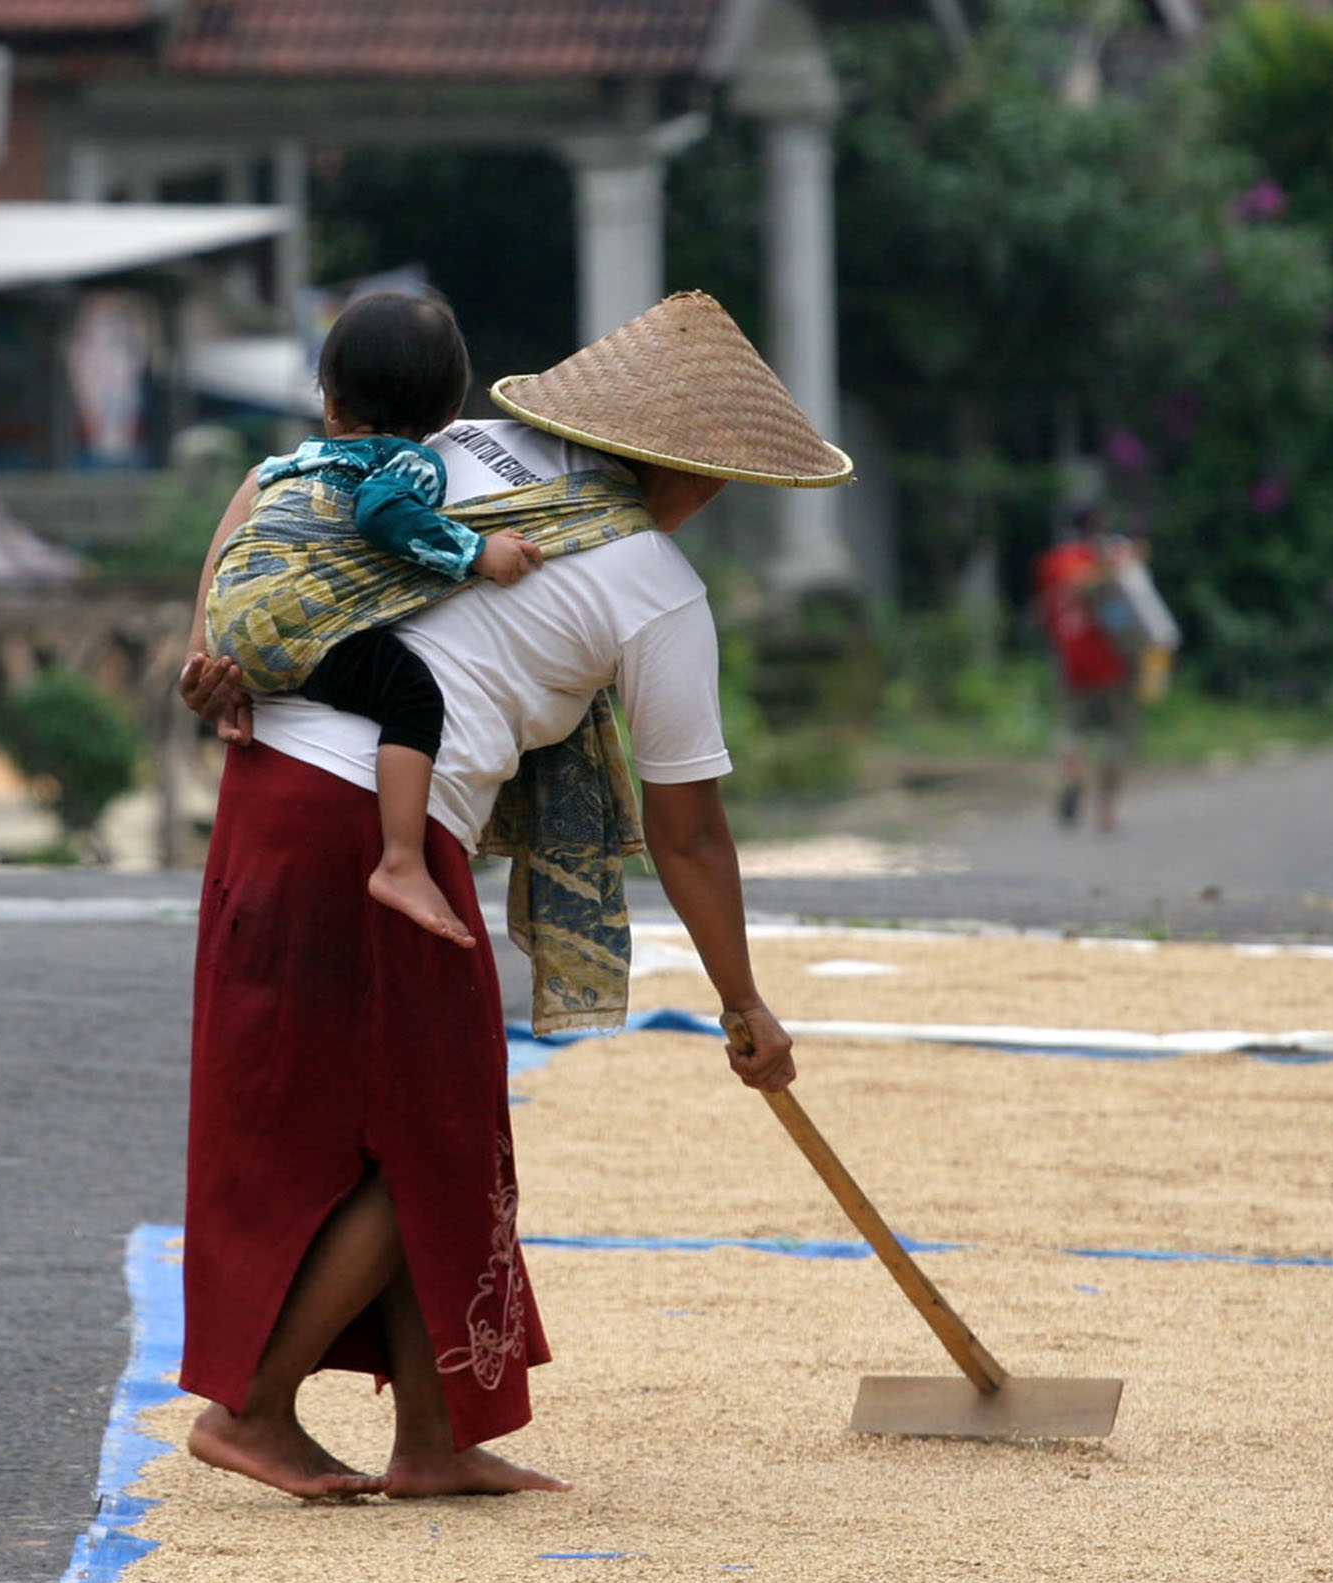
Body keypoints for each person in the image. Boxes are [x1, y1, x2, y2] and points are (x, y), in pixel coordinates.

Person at [174, 290, 852, 1499]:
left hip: (270, 792)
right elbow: (686, 832)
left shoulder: (440, 448)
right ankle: (255, 1408)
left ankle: (434, 1437)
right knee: (435, 1130)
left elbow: (262, 501)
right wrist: (745, 1004)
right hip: (365, 829)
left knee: (437, 1121)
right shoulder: (651, 582)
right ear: (693, 477)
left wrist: (210, 646)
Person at [202, 290, 543, 948]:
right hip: (294, 631)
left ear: (330, 402)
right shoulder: (408, 461)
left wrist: (221, 669)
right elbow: (384, 516)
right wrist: (478, 553)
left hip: (231, 633)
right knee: (410, 693)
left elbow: (228, 549)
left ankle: (397, 855)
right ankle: (401, 861)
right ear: (447, 415)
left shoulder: (291, 463)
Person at [1034, 504, 1145, 834]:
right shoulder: (1105, 561)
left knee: (1071, 730)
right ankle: (1106, 812)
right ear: (1097, 525)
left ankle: (1074, 774)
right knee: (1117, 737)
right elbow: (1123, 610)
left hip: (1071, 663)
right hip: (1111, 664)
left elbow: (1047, 609)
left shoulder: (1051, 563)